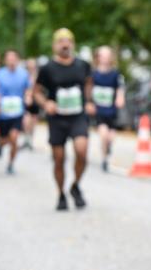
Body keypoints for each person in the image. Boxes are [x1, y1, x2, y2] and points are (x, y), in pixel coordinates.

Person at [35, 28, 94, 211]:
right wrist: (46, 104)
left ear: (73, 44)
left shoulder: (82, 65)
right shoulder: (47, 68)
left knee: (82, 151)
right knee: (59, 158)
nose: (65, 44)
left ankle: (75, 185)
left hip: (78, 115)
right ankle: (61, 193)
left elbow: (88, 83)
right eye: (61, 41)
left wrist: (89, 101)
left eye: (68, 40)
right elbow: (36, 92)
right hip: (57, 118)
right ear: (54, 45)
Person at [0, 49, 31, 175]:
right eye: (9, 58)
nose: (11, 61)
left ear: (17, 59)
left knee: (14, 137)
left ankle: (10, 163)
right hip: (3, 113)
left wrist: (28, 98)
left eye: (14, 58)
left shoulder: (23, 74)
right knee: (3, 140)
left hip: (17, 111)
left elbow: (27, 89)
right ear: (5, 60)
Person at [91, 46, 126, 172]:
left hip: (111, 110)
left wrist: (120, 98)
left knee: (110, 138)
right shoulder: (93, 74)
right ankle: (104, 159)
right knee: (103, 135)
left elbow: (120, 88)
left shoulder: (115, 74)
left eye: (107, 56)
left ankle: (108, 148)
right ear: (98, 58)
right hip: (99, 110)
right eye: (102, 56)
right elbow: (88, 89)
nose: (105, 58)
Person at [22, 57, 40, 150]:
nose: (31, 65)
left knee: (33, 121)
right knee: (26, 121)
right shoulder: (24, 75)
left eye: (32, 63)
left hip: (36, 101)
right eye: (29, 63)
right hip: (26, 100)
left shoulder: (38, 75)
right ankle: (26, 139)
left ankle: (30, 140)